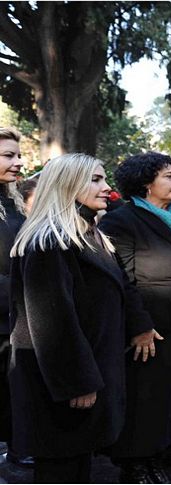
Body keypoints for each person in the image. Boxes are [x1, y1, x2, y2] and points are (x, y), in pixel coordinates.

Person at [7, 154, 128, 483]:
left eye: (104, 179)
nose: (106, 188)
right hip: (61, 384)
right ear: (67, 184)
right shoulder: (49, 241)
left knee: (76, 465)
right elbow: (52, 322)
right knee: (60, 470)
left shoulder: (87, 234)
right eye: (96, 179)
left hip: (86, 373)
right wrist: (78, 381)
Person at [99, 153, 171, 483]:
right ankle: (135, 461)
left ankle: (164, 449)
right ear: (147, 183)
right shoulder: (121, 220)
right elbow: (122, 277)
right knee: (144, 392)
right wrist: (140, 326)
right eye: (170, 177)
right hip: (149, 319)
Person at [0, 128, 31, 469]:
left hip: (15, 321)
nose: (19, 162)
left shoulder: (12, 201)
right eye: (9, 155)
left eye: (18, 155)